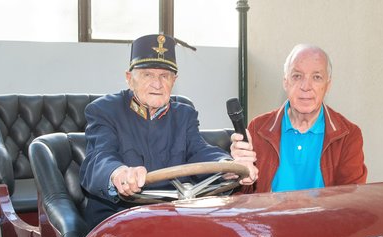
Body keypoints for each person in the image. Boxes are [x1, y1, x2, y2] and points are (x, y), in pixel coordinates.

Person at [80, 34, 257, 227]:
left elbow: (200, 151)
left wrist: (228, 166)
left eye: (164, 76)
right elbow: (99, 157)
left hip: (174, 219)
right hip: (119, 220)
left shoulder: (184, 114)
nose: (157, 84)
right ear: (129, 79)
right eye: (148, 74)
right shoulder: (104, 110)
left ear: (174, 80)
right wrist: (118, 173)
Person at [230, 44, 366, 193]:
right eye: (297, 76)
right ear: (285, 82)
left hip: (322, 216)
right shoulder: (258, 128)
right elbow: (244, 197)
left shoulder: (348, 135)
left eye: (316, 77)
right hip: (271, 215)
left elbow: (351, 201)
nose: (306, 86)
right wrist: (236, 173)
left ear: (328, 86)